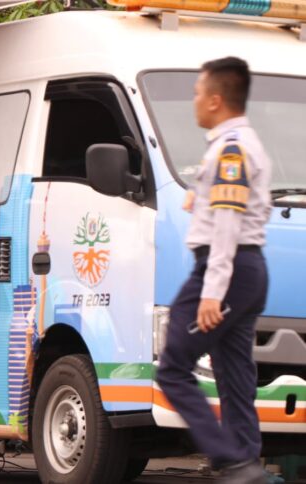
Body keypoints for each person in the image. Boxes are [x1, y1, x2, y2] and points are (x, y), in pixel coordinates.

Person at [156, 57, 271, 484]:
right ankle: (246, 462)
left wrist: (211, 291)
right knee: (234, 372)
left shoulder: (231, 149)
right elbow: (228, 206)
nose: (195, 100)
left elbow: (227, 225)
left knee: (173, 367)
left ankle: (231, 461)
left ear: (217, 99)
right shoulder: (243, 143)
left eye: (198, 92)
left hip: (224, 268)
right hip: (249, 269)